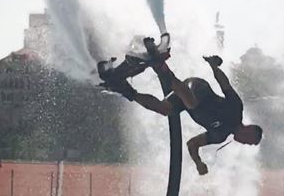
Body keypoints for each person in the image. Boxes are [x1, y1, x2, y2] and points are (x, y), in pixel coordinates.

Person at [110, 47, 263, 175]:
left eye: (247, 144)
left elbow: (192, 143)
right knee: (193, 104)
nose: (245, 143)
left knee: (164, 109)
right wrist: (214, 66)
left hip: (186, 103)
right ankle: (160, 65)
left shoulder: (219, 136)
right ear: (249, 129)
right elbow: (225, 84)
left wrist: (198, 162)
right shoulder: (236, 110)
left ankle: (126, 90)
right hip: (196, 87)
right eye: (249, 140)